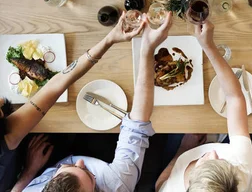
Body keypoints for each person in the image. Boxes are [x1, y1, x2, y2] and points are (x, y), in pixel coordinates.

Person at [0, 13, 147, 192]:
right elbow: (57, 83)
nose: (0, 98)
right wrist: (108, 40)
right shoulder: (9, 139)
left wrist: (30, 173)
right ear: (0, 132)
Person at [16, 12, 173, 192]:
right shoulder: (116, 184)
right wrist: (147, 49)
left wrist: (29, 172)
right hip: (116, 166)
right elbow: (137, 125)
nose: (80, 163)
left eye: (64, 170)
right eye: (88, 174)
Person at [156, 20, 252, 192]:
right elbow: (236, 98)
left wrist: (183, 149)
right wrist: (208, 46)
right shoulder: (240, 168)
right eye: (222, 162)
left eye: (208, 162)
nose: (214, 153)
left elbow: (158, 185)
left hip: (186, 152)